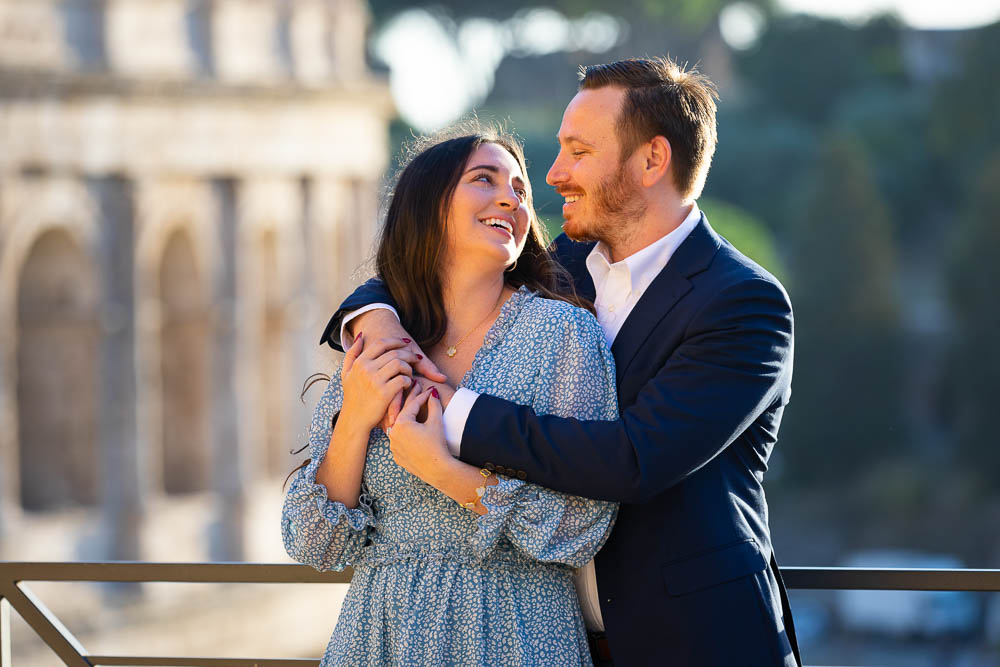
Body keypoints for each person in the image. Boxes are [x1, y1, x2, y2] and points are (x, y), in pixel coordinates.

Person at [324, 57, 800, 666]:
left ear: (652, 161)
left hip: (690, 642)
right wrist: (374, 318)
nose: (553, 175)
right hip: (543, 640)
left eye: (578, 151)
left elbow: (633, 458)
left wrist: (447, 410)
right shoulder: (559, 272)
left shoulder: (742, 304)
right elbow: (435, 269)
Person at [281, 123, 620, 666]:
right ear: (427, 207)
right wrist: (355, 420)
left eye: (519, 190)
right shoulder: (378, 340)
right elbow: (314, 543)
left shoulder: (564, 334)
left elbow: (582, 525)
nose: (510, 197)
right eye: (484, 180)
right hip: (381, 635)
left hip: (518, 633)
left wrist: (441, 470)